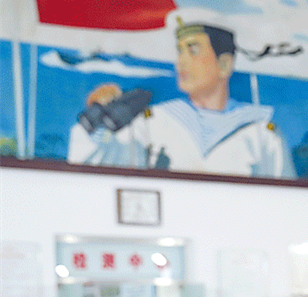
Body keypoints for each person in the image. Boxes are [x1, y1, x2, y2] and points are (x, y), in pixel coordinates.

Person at [67, 18, 294, 178]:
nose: (181, 62)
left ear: (224, 64)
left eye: (193, 50)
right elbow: (100, 166)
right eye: (179, 51)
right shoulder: (154, 120)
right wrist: (98, 120)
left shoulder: (262, 131)